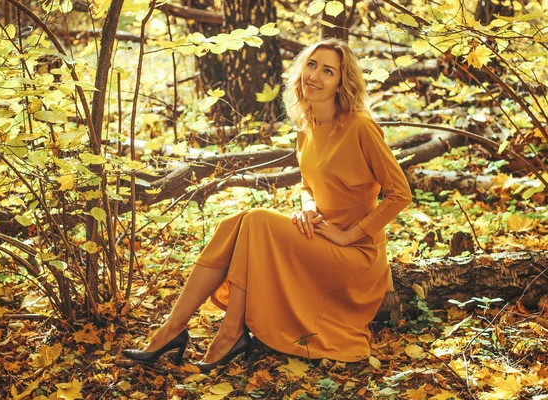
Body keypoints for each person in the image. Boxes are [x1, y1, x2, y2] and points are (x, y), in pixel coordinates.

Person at [122, 38, 412, 371]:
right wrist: (308, 205)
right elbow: (308, 184)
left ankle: (229, 333)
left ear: (340, 84)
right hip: (320, 236)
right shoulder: (306, 128)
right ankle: (174, 328)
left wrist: (350, 236)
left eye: (328, 71)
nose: (314, 76)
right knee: (235, 223)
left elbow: (400, 194)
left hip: (355, 257)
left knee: (255, 220)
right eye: (312, 65)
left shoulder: (360, 126)